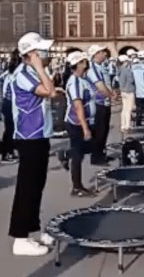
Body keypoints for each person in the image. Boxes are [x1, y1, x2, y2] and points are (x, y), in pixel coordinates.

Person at [9, 32, 56, 256]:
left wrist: (41, 68)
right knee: (26, 188)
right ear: (31, 54)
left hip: (40, 136)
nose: (48, 54)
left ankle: (32, 231)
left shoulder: (34, 72)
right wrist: (39, 67)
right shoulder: (23, 75)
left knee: (37, 186)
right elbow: (50, 91)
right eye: (43, 51)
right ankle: (19, 237)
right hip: (29, 137)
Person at [60, 51, 96, 196]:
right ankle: (77, 186)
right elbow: (78, 106)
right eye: (83, 61)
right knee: (78, 155)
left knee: (85, 149)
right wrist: (85, 128)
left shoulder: (83, 79)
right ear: (78, 64)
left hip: (86, 121)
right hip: (76, 123)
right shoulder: (74, 81)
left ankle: (64, 154)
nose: (86, 63)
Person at [86, 44, 116, 165]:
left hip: (104, 102)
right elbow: (99, 85)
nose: (105, 54)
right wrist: (111, 95)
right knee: (99, 131)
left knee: (104, 129)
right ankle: (96, 156)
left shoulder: (101, 66)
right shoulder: (92, 68)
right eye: (102, 52)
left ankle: (101, 153)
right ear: (96, 54)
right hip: (98, 103)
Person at [0, 50, 21, 163]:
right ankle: (7, 153)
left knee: (11, 129)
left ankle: (10, 151)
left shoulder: (9, 72)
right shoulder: (17, 73)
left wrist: (2, 95)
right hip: (11, 103)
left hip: (8, 102)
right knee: (10, 129)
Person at [117, 54, 136, 133]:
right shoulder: (127, 70)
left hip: (122, 90)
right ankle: (127, 126)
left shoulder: (119, 69)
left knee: (124, 109)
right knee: (129, 109)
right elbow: (131, 80)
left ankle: (123, 125)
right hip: (129, 90)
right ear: (124, 62)